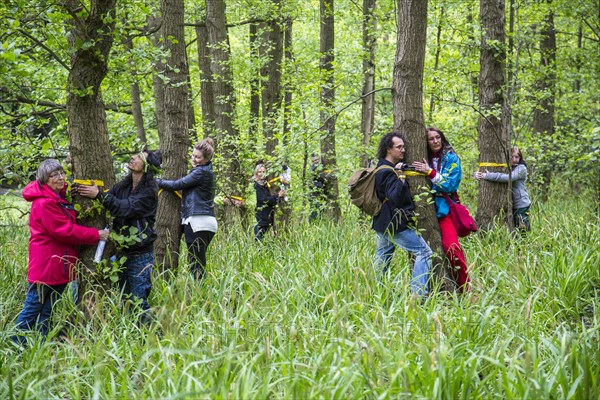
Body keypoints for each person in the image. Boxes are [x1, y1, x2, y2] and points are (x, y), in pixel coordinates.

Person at [13, 159, 109, 343]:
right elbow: (65, 231)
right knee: (32, 308)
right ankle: (15, 345)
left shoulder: (56, 198)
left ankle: (39, 345)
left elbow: (63, 203)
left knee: (48, 309)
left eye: (61, 173)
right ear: (44, 179)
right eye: (54, 175)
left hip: (57, 265)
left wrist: (70, 189)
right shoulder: (44, 203)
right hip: (46, 266)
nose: (60, 177)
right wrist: (96, 234)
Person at [76, 150, 161, 324]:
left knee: (138, 300)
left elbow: (126, 207)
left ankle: (153, 337)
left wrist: (99, 195)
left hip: (141, 254)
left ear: (146, 166)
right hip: (121, 252)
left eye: (139, 157)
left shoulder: (149, 192)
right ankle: (132, 336)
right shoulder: (124, 186)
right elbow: (110, 198)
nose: (133, 158)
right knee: (124, 298)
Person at [373, 132, 432, 296]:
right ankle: (417, 295)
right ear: (388, 149)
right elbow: (394, 198)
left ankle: (374, 293)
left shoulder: (382, 167)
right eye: (399, 147)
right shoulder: (387, 171)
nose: (403, 150)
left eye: (403, 146)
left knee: (382, 257)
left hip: (382, 223)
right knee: (424, 252)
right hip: (394, 223)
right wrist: (401, 177)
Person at [412, 127, 470, 292]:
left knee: (452, 248)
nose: (435, 141)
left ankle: (465, 287)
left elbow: (450, 184)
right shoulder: (423, 156)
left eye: (438, 137)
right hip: (423, 209)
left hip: (444, 210)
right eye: (431, 139)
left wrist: (430, 172)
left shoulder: (451, 158)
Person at [156, 139, 217, 280]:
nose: (194, 159)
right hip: (202, 220)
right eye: (193, 155)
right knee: (196, 260)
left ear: (206, 159)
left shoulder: (200, 172)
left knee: (196, 263)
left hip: (198, 221)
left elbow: (177, 184)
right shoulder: (203, 171)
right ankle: (198, 292)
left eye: (198, 157)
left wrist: (156, 181)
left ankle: (199, 295)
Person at [474, 146, 531, 232]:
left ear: (520, 157)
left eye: (517, 157)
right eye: (512, 157)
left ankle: (525, 244)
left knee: (522, 228)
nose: (514, 159)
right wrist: (476, 174)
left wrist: (488, 176)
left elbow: (508, 178)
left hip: (521, 204)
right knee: (514, 228)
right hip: (512, 204)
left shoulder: (521, 168)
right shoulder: (509, 167)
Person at [253, 163, 285, 241]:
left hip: (269, 214)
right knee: (260, 231)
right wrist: (277, 196)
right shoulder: (257, 185)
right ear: (256, 173)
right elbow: (263, 199)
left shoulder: (266, 184)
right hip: (261, 214)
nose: (262, 174)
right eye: (259, 172)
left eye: (263, 171)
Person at [308, 154, 327, 222]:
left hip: (319, 193)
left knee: (322, 209)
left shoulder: (319, 168)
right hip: (314, 194)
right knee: (314, 211)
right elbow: (323, 177)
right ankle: (311, 225)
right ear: (312, 161)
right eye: (314, 160)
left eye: (317, 159)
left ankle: (319, 223)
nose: (316, 161)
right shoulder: (314, 168)